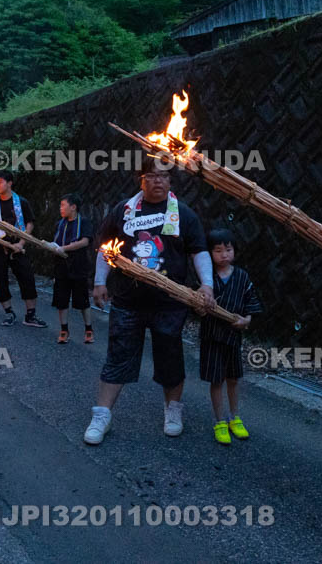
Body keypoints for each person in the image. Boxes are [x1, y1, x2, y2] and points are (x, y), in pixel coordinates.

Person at [83, 158, 213, 446]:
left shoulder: (184, 214)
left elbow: (199, 251)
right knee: (118, 355)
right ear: (141, 179)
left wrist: (207, 284)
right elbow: (105, 248)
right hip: (128, 300)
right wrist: (100, 282)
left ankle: (173, 411)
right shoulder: (123, 211)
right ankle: (101, 415)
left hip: (170, 301)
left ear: (171, 181)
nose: (158, 181)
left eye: (164, 177)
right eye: (152, 176)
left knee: (170, 357)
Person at [199, 228, 263, 445]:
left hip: (233, 336)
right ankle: (220, 421)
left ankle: (235, 417)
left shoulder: (242, 277)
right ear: (209, 254)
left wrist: (246, 320)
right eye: (218, 250)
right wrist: (201, 306)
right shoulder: (205, 279)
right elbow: (195, 307)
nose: (224, 254)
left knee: (233, 378)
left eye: (228, 249)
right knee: (216, 380)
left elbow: (250, 304)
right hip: (212, 335)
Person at [0, 170, 46, 327]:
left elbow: (30, 223)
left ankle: (30, 315)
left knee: (27, 279)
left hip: (18, 247)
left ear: (10, 183)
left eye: (0, 182)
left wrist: (21, 243)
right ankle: (9, 313)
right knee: (0, 280)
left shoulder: (21, 202)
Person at [47, 192, 95, 344]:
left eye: (63, 205)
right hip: (61, 266)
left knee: (82, 300)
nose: (60, 208)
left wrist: (64, 248)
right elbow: (56, 242)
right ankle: (64, 329)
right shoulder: (59, 224)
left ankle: (88, 329)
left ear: (73, 207)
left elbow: (84, 241)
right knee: (61, 299)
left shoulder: (84, 222)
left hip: (78, 265)